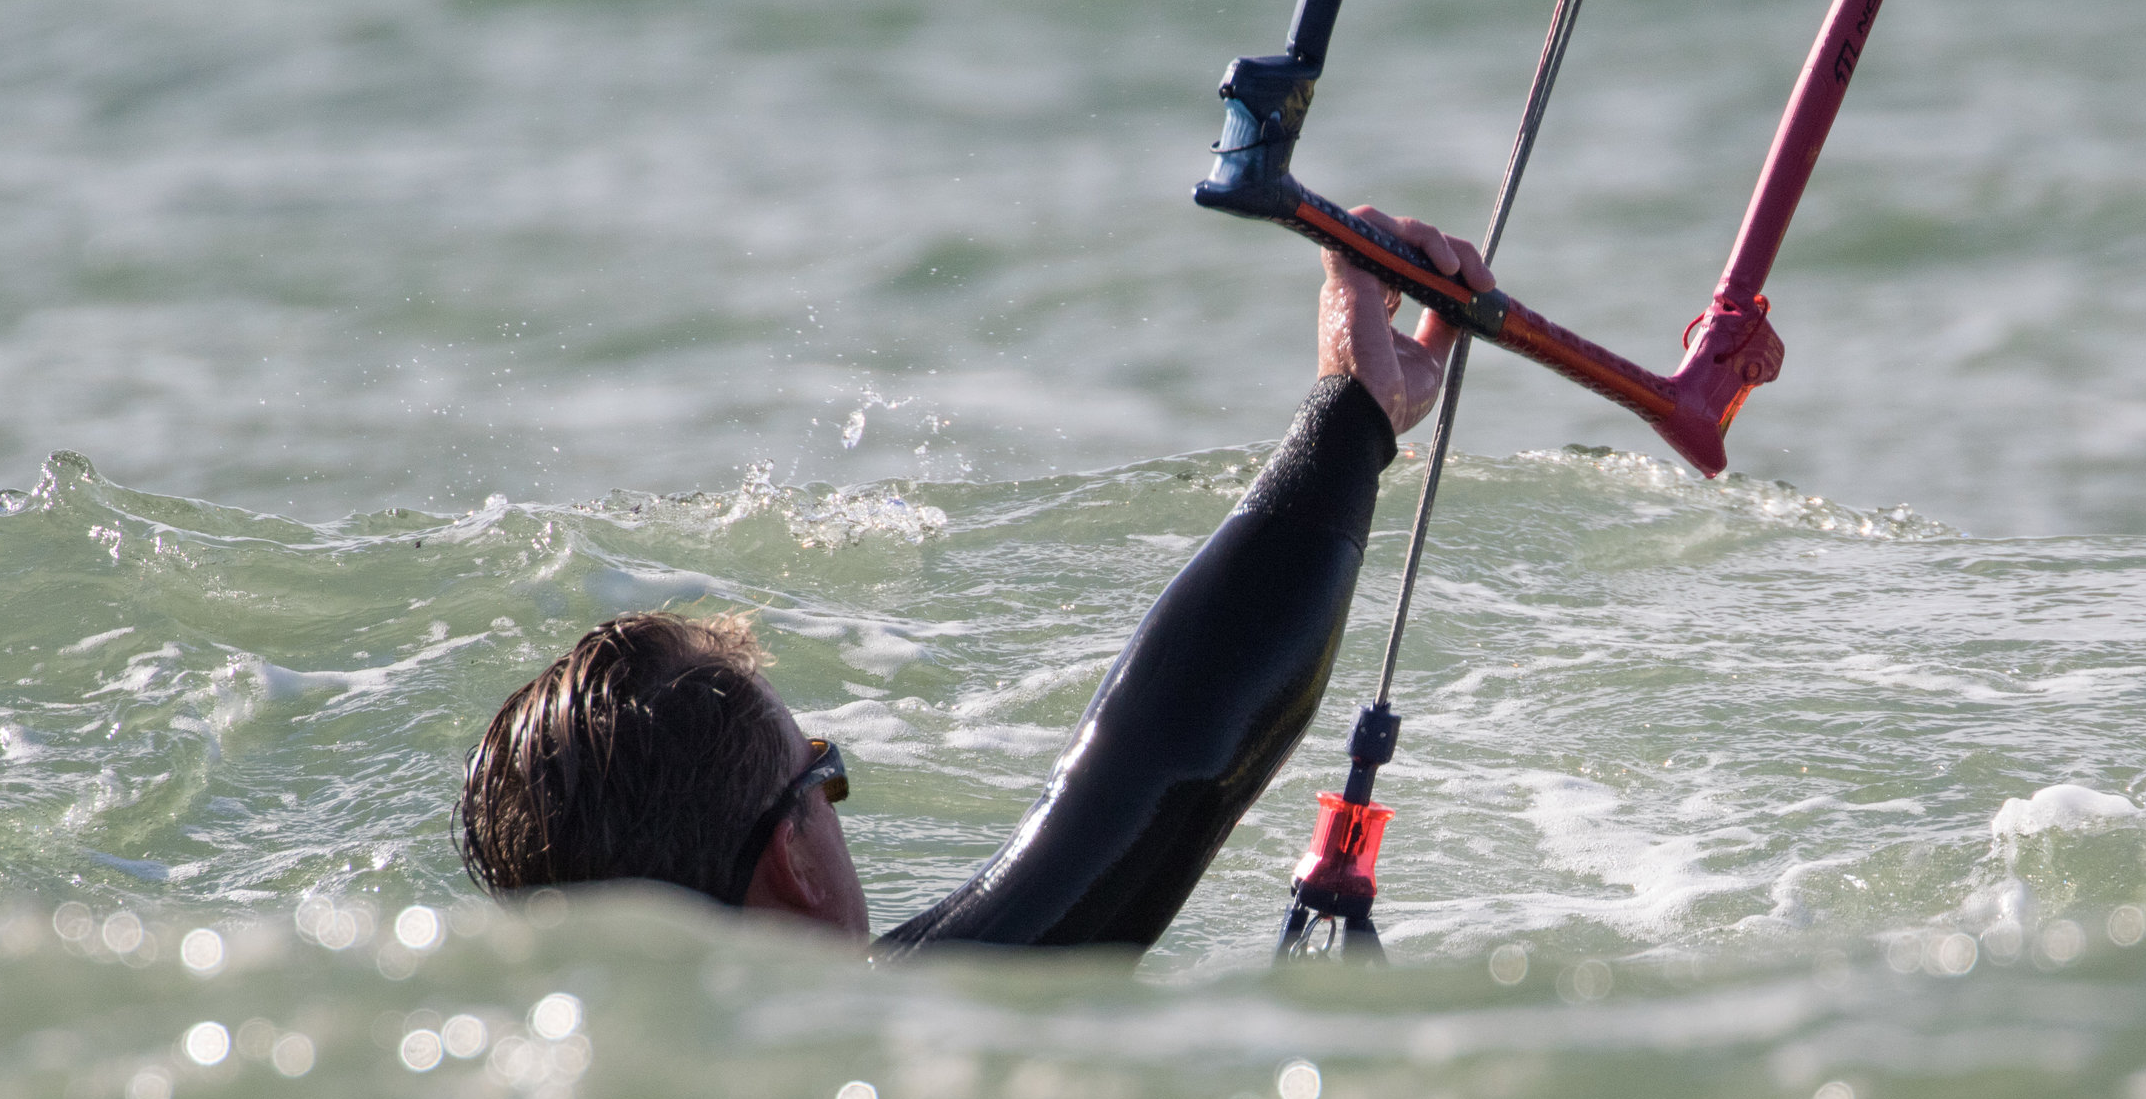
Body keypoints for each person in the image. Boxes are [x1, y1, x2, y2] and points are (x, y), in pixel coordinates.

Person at [456, 212, 1493, 952]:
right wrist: (1348, 418)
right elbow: (1162, 759)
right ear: (795, 863)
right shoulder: (876, 1052)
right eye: (824, 779)